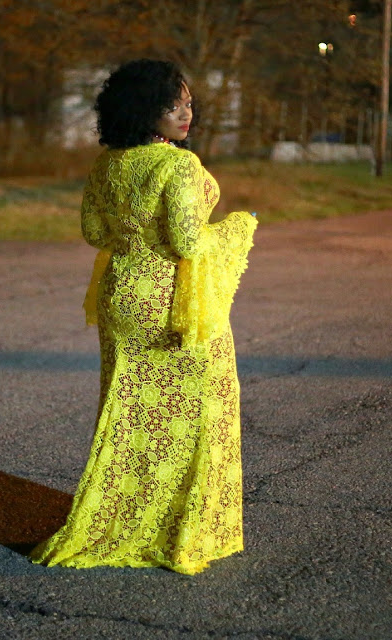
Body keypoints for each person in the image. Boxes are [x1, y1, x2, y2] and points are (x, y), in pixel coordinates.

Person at [29, 59, 257, 575]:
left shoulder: (107, 164)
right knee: (200, 412)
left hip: (121, 297)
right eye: (171, 106)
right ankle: (178, 531)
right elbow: (188, 243)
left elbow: (94, 233)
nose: (184, 114)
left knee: (129, 413)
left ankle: (119, 519)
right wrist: (239, 227)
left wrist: (135, 236)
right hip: (172, 304)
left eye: (188, 104)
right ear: (144, 110)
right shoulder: (178, 166)